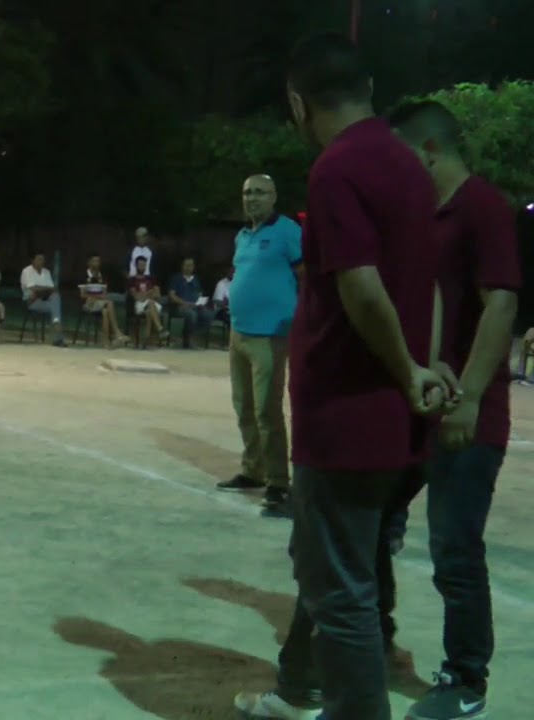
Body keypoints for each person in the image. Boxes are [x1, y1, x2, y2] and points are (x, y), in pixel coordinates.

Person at [233, 33, 453, 720]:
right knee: (343, 573)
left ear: (299, 103)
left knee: (343, 591)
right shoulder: (410, 165)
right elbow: (432, 281)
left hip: (348, 417)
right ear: (369, 93)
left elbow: (359, 288)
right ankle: (309, 693)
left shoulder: (337, 170)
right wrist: (425, 363)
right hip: (397, 417)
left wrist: (406, 366)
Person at [386, 100, 521, 720]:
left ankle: (467, 680)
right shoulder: (429, 214)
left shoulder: (482, 207)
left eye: (402, 157)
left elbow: (500, 308)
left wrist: (466, 399)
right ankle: (374, 639)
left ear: (430, 150)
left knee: (454, 547)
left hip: (468, 412)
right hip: (420, 401)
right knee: (376, 523)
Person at [217, 175, 303, 520]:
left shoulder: (287, 232)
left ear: (273, 197)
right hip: (238, 334)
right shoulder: (242, 236)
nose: (252, 198)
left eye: (259, 193)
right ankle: (253, 470)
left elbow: (306, 276)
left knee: (268, 410)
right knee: (245, 407)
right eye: (247, 192)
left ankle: (279, 483)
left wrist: (299, 317)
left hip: (270, 335)